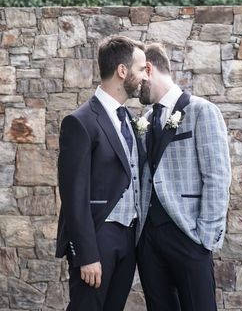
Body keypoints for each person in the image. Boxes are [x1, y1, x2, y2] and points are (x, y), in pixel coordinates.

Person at [55, 35, 148, 311]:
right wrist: (87, 254)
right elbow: (73, 196)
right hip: (98, 238)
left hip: (127, 239)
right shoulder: (80, 122)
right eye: (141, 69)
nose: (145, 76)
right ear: (122, 71)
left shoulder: (129, 119)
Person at [137, 42, 231, 311]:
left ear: (149, 69)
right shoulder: (144, 119)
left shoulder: (202, 111)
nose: (135, 87)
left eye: (139, 77)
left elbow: (217, 176)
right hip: (149, 240)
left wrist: (206, 237)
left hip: (189, 236)